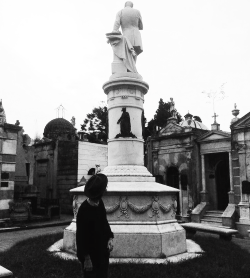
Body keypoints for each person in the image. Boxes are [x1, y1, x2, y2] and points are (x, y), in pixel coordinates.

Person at [76, 174, 114, 278]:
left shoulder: (99, 203)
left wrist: (110, 237)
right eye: (104, 188)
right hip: (90, 255)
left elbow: (104, 222)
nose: (106, 190)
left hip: (102, 251)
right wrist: (87, 259)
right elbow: (81, 237)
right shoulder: (84, 210)